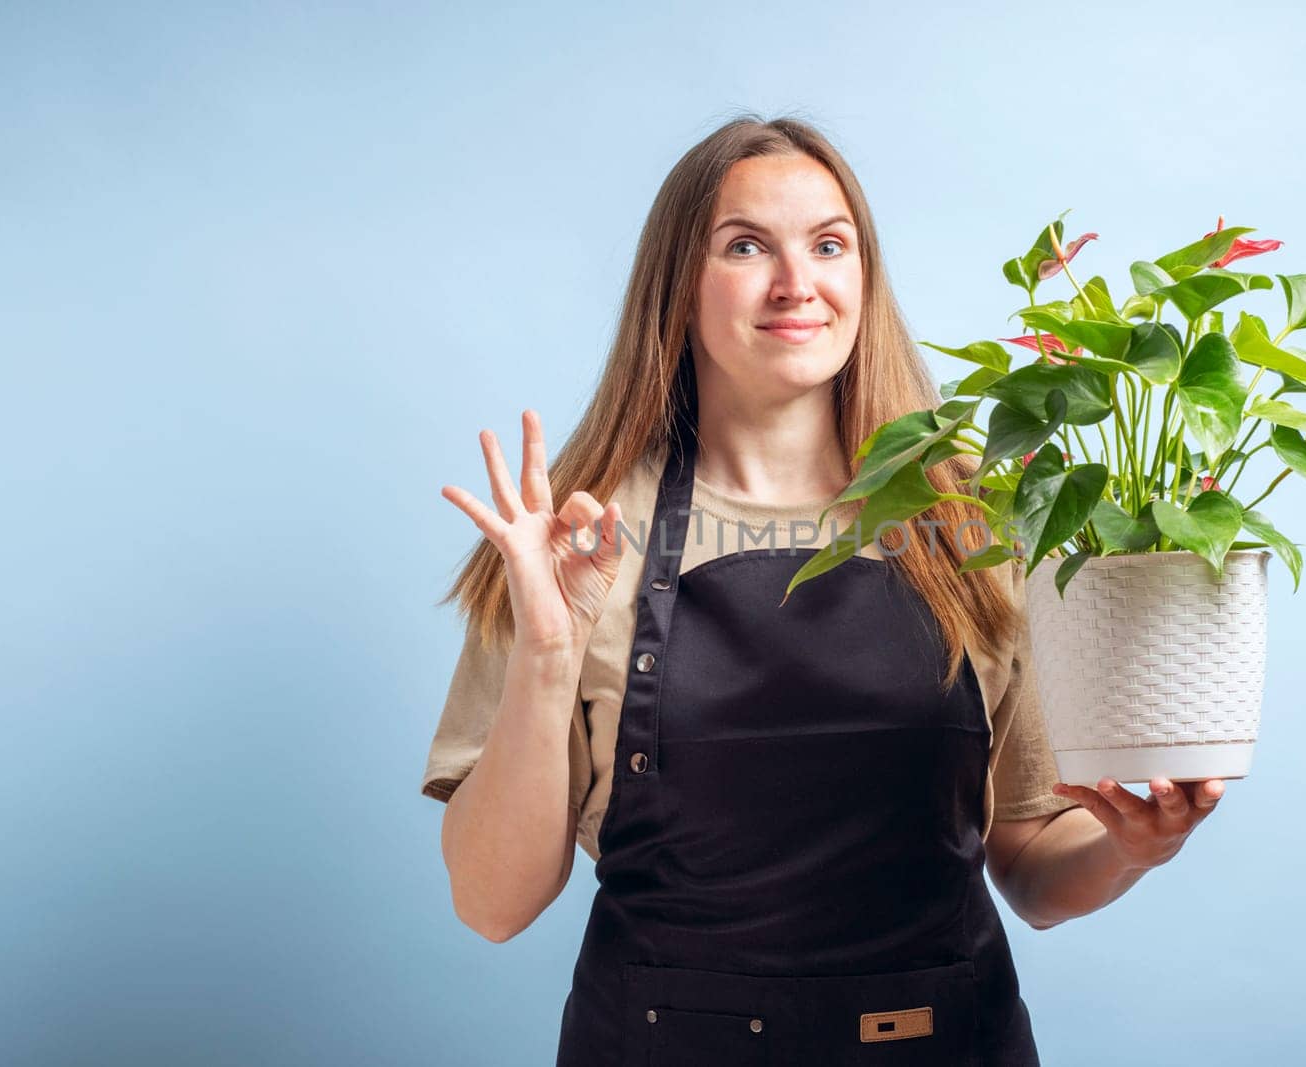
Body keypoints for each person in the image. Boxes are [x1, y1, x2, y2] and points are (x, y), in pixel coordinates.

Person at [420, 114, 1225, 1066]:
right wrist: (549, 655)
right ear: (677, 285)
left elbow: (1033, 865)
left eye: (829, 245)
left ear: (864, 279)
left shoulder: (979, 519)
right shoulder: (576, 537)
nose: (796, 284)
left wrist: (1137, 845)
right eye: (747, 245)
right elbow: (491, 904)